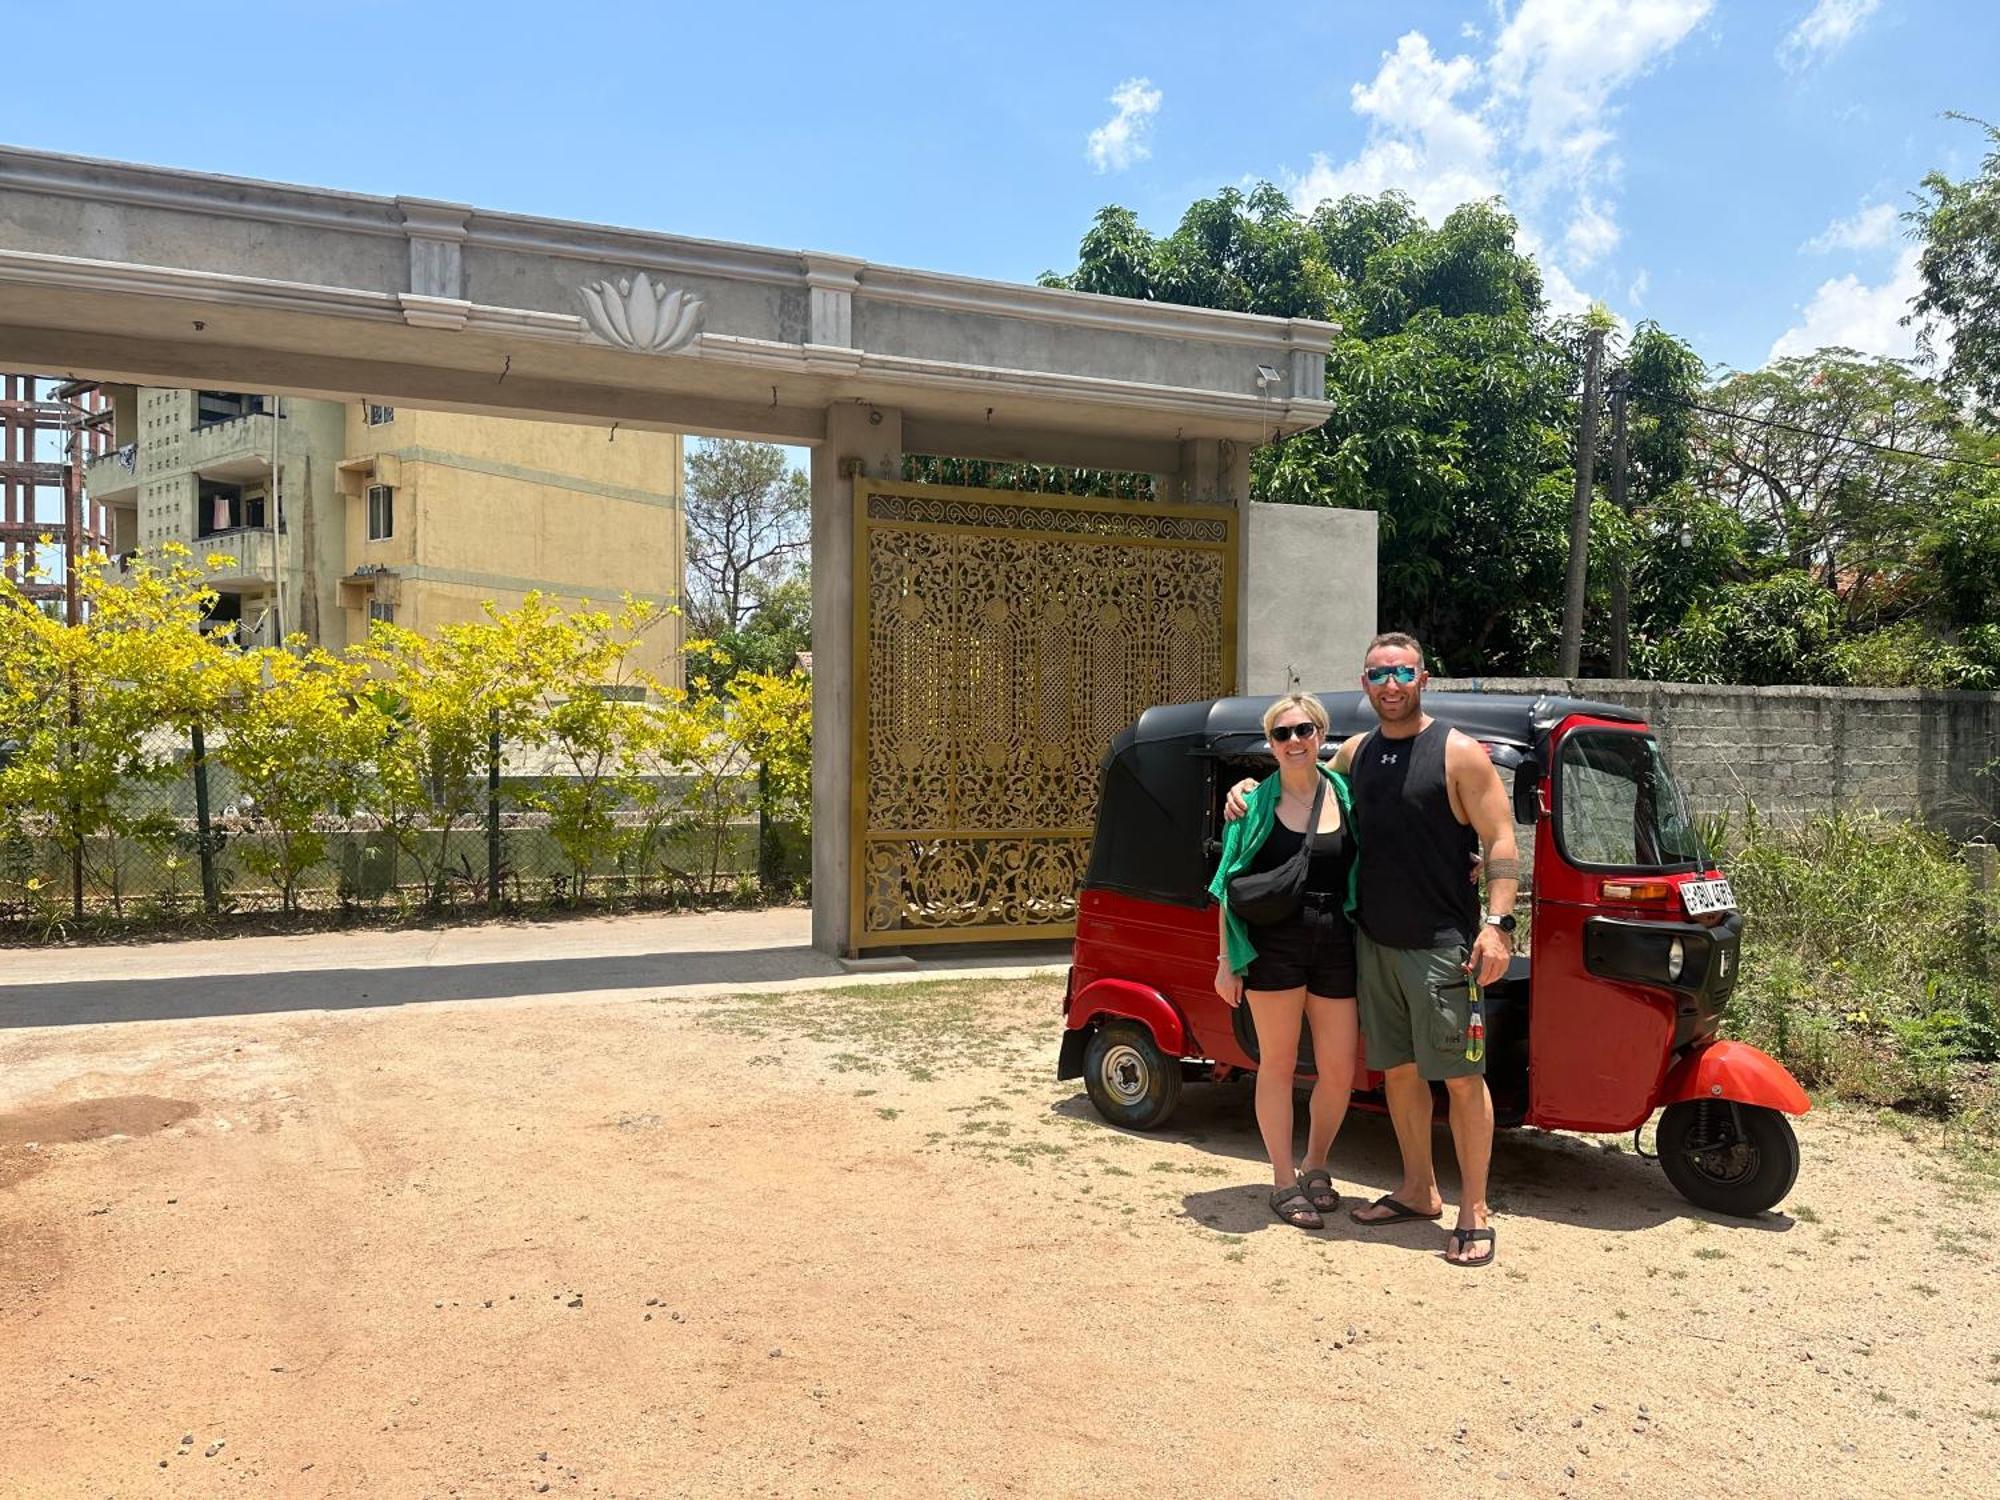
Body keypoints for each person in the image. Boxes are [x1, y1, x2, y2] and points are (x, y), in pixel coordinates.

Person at [1226, 634, 1518, 1266]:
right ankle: (1418, 1189)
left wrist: (1498, 923)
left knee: (1464, 1079)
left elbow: (1499, 840)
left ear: (1424, 677)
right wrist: (1247, 789)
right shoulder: (1357, 754)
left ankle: (1475, 1209)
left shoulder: (1460, 754)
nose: (1391, 684)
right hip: (1373, 944)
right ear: (1364, 682)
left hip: (1442, 948)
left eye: (1403, 671)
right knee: (1401, 1075)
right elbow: (1297, 772)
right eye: (1379, 673)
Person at [1206, 693, 1362, 1231]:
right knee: (1276, 1064)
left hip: (1336, 939)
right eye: (1281, 734)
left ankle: (1316, 1164)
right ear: (1269, 745)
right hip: (1273, 943)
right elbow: (1227, 886)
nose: (1293, 742)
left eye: (1303, 731)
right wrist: (1228, 959)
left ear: (1321, 736)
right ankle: (1281, 1180)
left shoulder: (1345, 793)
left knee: (1339, 1069)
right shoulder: (1250, 804)